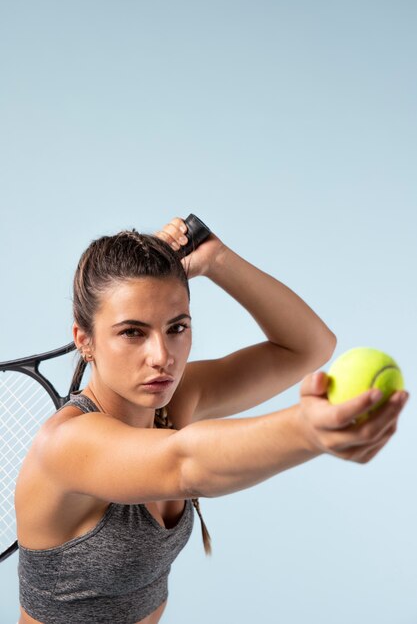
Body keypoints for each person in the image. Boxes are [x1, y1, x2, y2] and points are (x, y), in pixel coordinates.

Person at [15, 216, 409, 624]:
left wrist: (218, 261)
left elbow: (309, 347)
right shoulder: (66, 444)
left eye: (177, 327)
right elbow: (185, 464)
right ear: (85, 340)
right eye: (133, 332)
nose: (162, 355)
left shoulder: (173, 402)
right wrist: (309, 431)